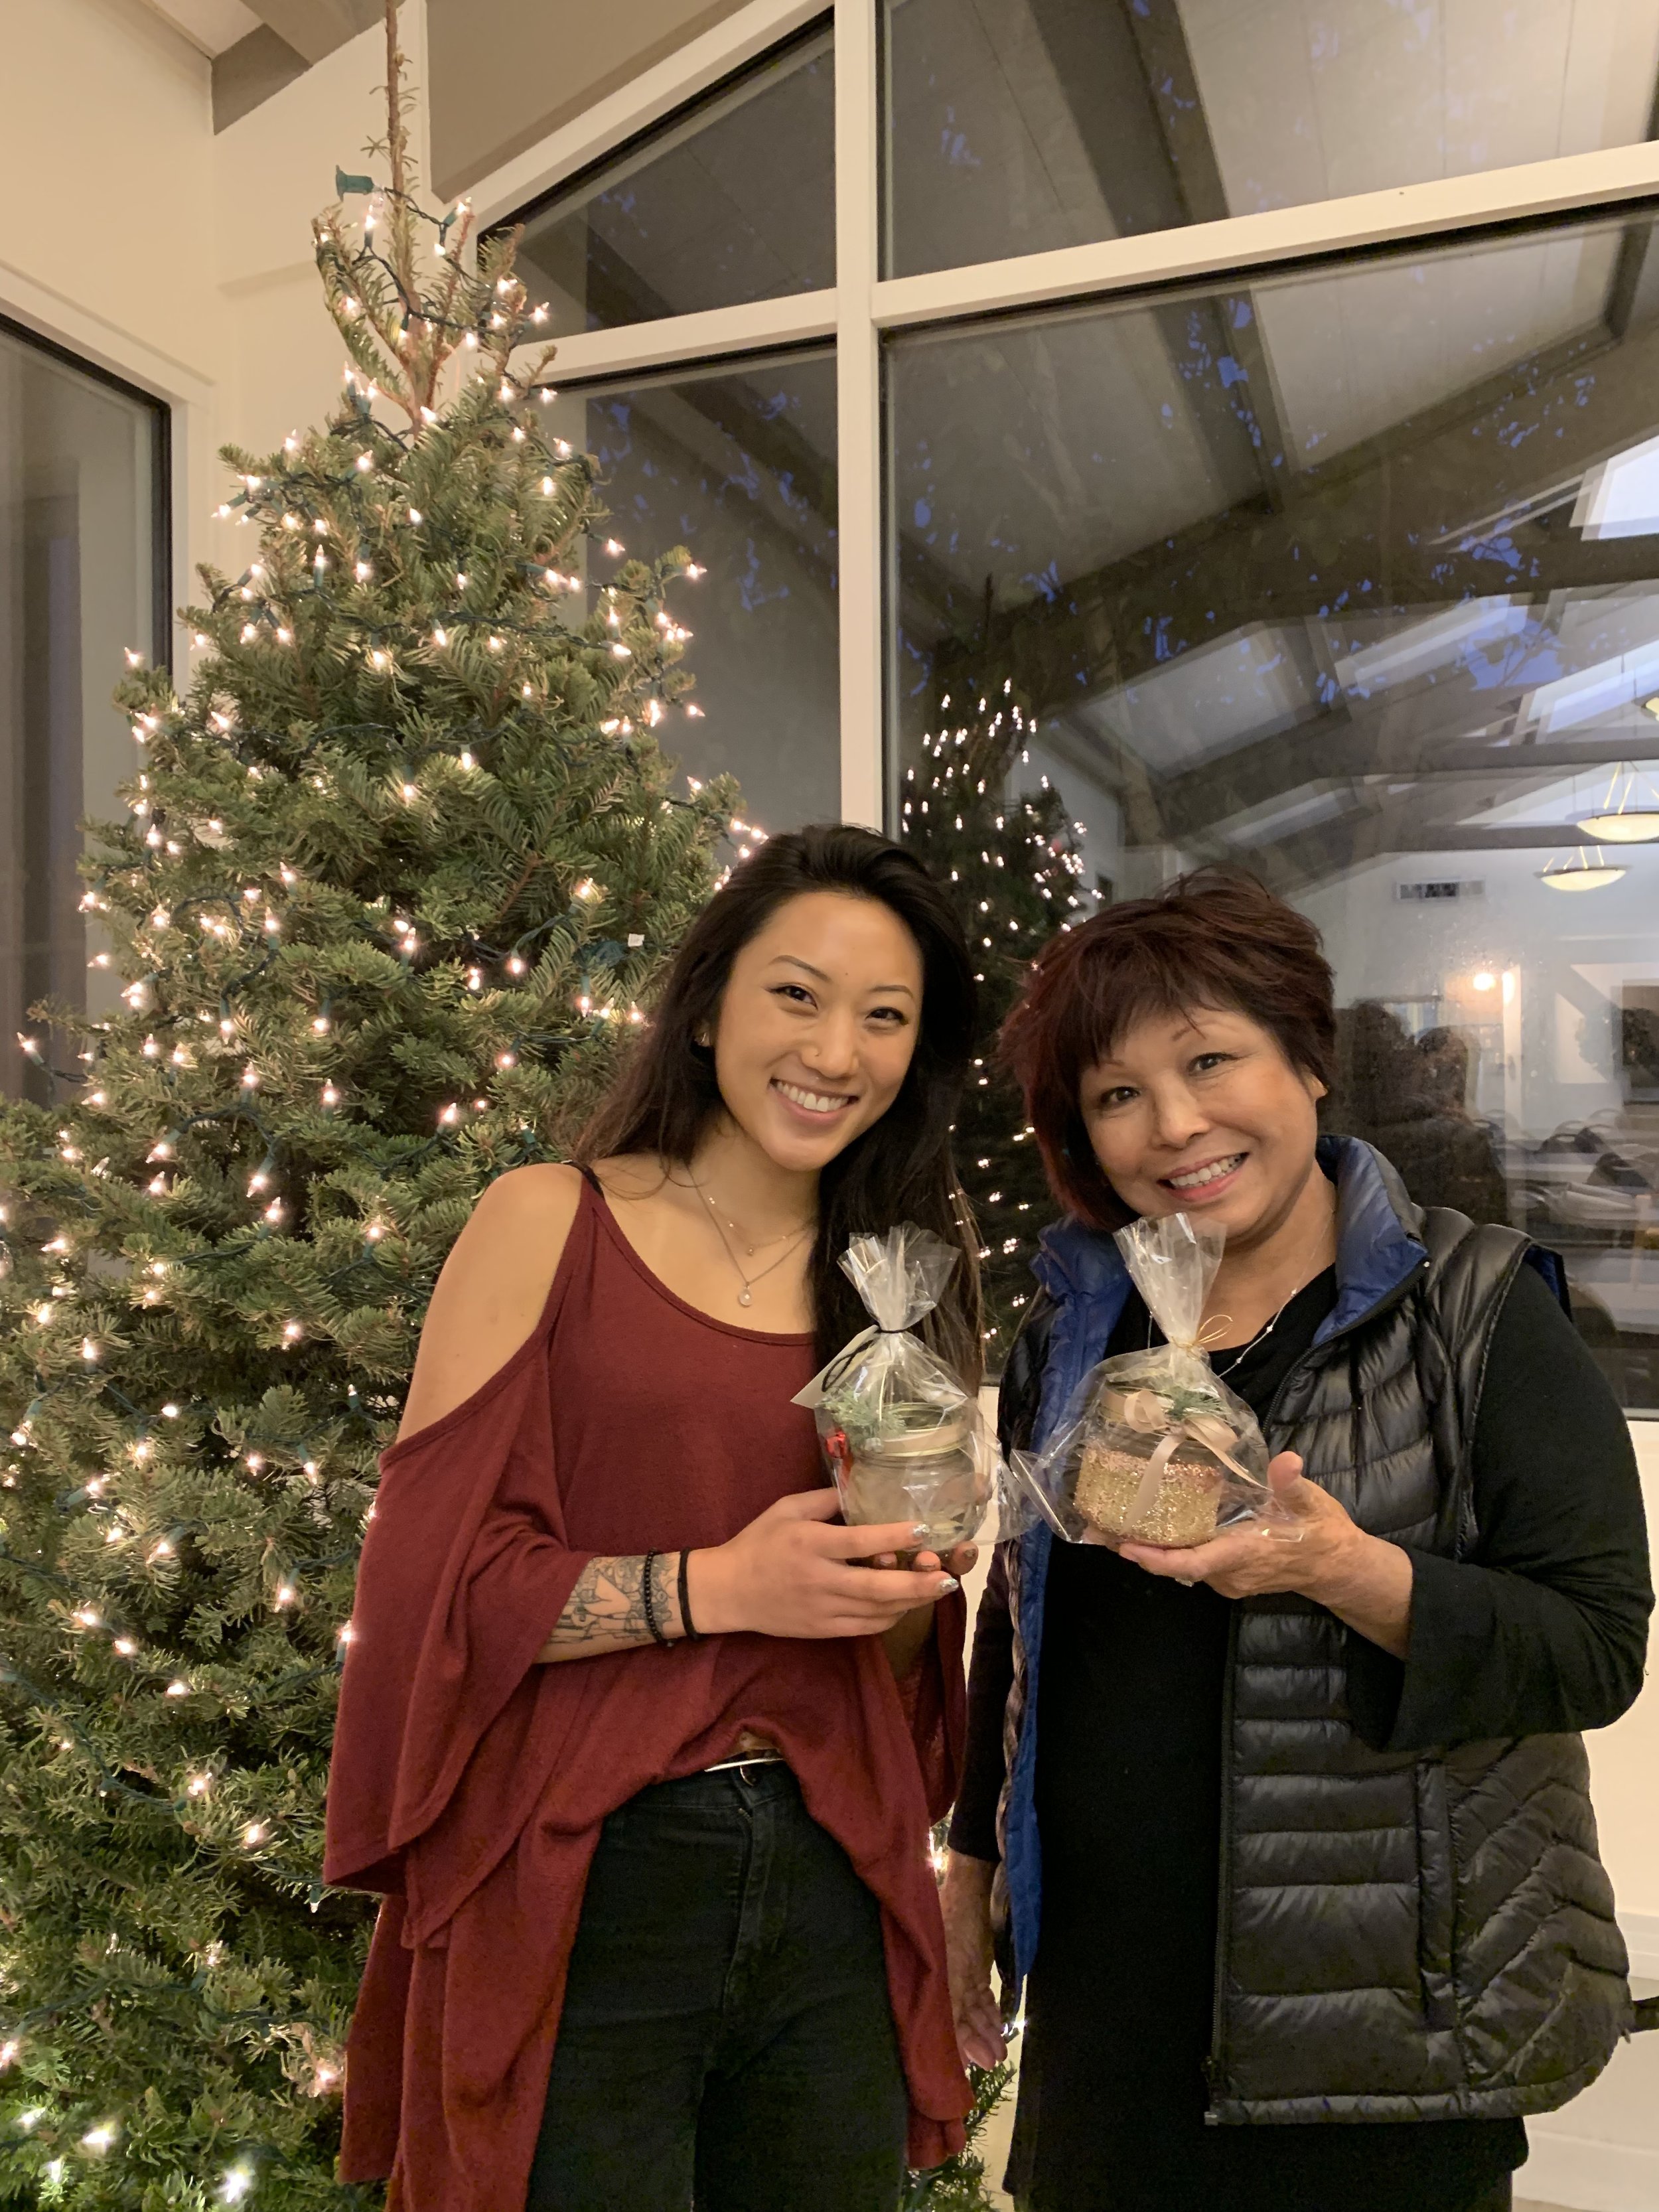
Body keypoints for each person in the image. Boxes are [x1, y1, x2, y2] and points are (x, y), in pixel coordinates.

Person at [942, 869, 1652, 2212]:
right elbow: (1018, 1620)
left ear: (1305, 1059)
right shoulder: (1075, 1330)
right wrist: (969, 1863)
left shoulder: (1478, 1312)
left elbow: (1592, 1645)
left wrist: (1342, 1567)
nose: (1174, 1123)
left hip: (1380, 2039)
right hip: (1108, 2034)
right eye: (1114, 1093)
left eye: (1209, 1058)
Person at [324, 825, 984, 2212]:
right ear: (705, 1005)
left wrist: (912, 1576)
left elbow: (895, 1677)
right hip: (584, 1862)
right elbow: (429, 1595)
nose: (834, 1050)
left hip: (831, 1877)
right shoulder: (546, 1221)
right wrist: (715, 1584)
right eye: (795, 993)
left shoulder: (901, 1288)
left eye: (884, 1016)